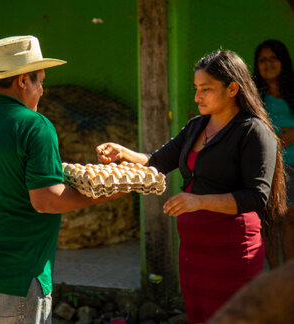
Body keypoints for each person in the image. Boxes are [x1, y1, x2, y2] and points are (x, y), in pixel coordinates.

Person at [96, 50, 287, 324]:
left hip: (233, 248)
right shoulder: (197, 126)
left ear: (232, 88)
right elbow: (157, 162)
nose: (197, 97)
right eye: (196, 89)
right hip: (194, 249)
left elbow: (256, 197)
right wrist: (124, 153)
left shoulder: (253, 131)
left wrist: (199, 201)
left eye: (206, 89)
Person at [0, 35, 120, 323]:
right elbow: (46, 201)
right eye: (40, 81)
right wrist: (106, 194)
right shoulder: (35, 126)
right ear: (23, 80)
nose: (42, 90)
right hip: (17, 274)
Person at [253, 39, 294, 267]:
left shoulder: (293, 92)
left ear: (283, 61)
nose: (268, 64)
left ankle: (288, 279)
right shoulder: (255, 96)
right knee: (269, 223)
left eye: (273, 58)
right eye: (262, 60)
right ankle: (275, 275)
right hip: (269, 167)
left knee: (290, 220)